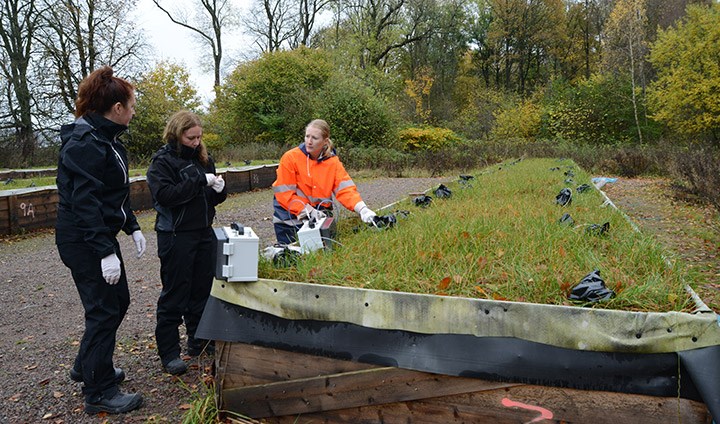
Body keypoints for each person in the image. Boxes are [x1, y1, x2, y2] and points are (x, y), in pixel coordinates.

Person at [55, 66, 145, 415]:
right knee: (104, 309)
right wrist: (105, 251)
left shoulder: (106, 139)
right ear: (117, 107)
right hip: (83, 239)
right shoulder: (85, 143)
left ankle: (89, 365)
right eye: (132, 104)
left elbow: (113, 195)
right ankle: (99, 390)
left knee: (117, 301)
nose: (134, 110)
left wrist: (132, 226)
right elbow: (85, 203)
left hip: (97, 236)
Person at [146, 110, 227, 375]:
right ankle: (169, 352)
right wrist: (197, 182)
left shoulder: (205, 159)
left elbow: (209, 200)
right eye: (191, 137)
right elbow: (165, 196)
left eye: (199, 137)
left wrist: (219, 190)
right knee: (175, 293)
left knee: (202, 290)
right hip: (176, 234)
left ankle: (198, 340)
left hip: (203, 231)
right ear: (177, 134)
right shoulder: (162, 162)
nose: (195, 142)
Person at [272, 119, 377, 244]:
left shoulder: (333, 162)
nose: (309, 141)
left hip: (319, 220)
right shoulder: (290, 158)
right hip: (289, 223)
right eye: (307, 136)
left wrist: (362, 209)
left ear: (325, 141)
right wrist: (308, 211)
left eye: (314, 138)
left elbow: (345, 190)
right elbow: (284, 194)